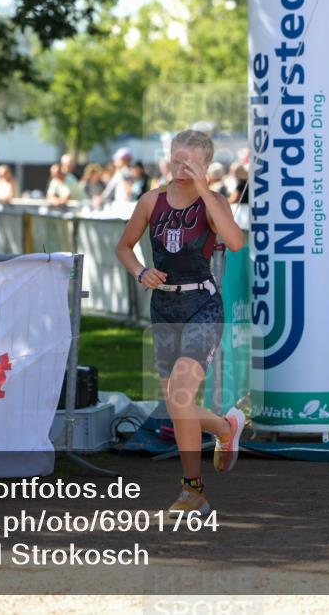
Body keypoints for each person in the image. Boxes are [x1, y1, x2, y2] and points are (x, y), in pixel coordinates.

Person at [115, 129, 246, 514]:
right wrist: (141, 272)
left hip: (202, 305)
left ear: (205, 165)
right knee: (176, 406)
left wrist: (207, 190)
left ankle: (193, 491)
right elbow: (123, 246)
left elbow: (236, 242)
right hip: (164, 308)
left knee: (181, 397)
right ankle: (225, 428)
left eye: (190, 162)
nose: (181, 167)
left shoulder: (213, 201)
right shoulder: (151, 201)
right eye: (176, 159)